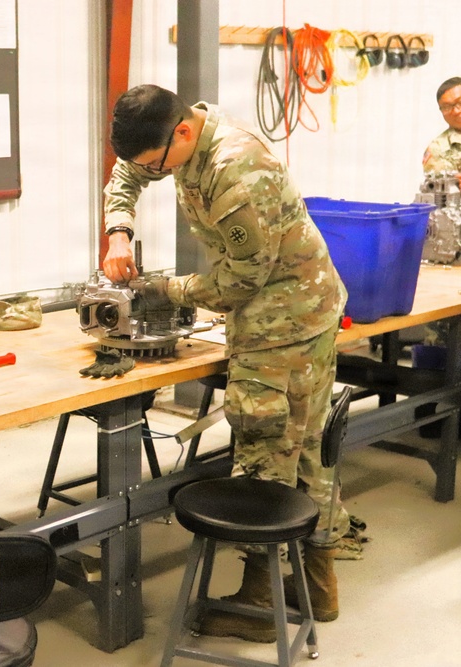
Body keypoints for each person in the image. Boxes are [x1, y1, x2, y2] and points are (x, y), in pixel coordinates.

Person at [101, 84, 351, 643]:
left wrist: (168, 288)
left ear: (182, 134)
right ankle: (321, 584)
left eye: (155, 164)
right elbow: (128, 173)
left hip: (282, 319)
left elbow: (243, 280)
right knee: (305, 446)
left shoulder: (240, 173)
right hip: (295, 309)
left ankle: (261, 602)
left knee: (267, 449)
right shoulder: (176, 134)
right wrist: (119, 229)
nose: (151, 173)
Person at [423, 77, 461, 174]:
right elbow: (444, 186)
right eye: (447, 107)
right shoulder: (438, 149)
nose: (456, 111)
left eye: (460, 102)